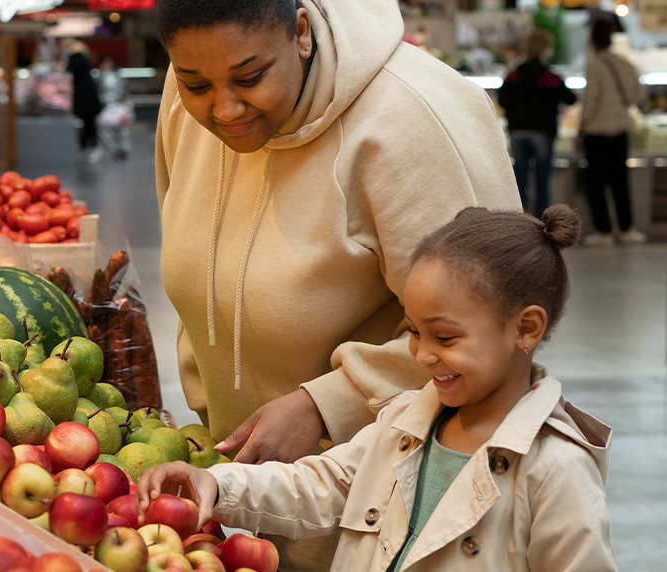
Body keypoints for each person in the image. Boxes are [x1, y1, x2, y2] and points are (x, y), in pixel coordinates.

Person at [154, 0, 520, 567]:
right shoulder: (187, 106)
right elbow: (196, 271)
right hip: (243, 499)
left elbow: (494, 328)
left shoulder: (415, 118)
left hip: (386, 513)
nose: (223, 109)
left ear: (301, 32)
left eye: (251, 78)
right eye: (195, 82)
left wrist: (326, 405)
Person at [138, 206, 615, 571]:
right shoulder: (404, 418)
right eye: (413, 331)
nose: (423, 354)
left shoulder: (556, 469)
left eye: (444, 337)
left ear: (525, 329)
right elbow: (322, 484)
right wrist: (217, 484)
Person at [581, 19, 646, 245]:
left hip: (597, 131)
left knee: (597, 183)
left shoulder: (595, 65)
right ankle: (627, 228)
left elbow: (589, 102)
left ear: (593, 41)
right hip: (620, 128)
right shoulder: (625, 64)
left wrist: (582, 125)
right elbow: (637, 97)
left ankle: (604, 231)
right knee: (621, 180)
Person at [499, 30, 576, 218]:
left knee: (520, 182)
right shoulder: (550, 77)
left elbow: (501, 99)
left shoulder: (514, 75)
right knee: (542, 182)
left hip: (518, 132)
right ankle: (542, 225)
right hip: (542, 132)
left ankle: (520, 222)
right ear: (545, 49)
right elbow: (570, 98)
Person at [67, 42, 103, 161]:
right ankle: (89, 147)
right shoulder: (84, 58)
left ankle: (89, 147)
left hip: (85, 98)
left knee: (87, 123)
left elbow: (70, 69)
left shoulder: (77, 57)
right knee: (89, 123)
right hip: (88, 97)